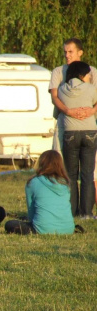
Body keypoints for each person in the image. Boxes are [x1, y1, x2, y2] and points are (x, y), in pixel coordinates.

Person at [58, 61, 97, 218]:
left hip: (70, 132)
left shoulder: (62, 89)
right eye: (88, 74)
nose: (89, 77)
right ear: (82, 75)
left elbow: (58, 109)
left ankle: (72, 211)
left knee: (71, 175)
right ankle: (86, 213)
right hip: (90, 132)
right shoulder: (91, 88)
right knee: (87, 174)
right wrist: (88, 111)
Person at [5, 150, 75, 234]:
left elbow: (31, 211)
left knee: (10, 224)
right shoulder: (66, 183)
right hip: (68, 229)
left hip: (43, 229)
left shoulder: (33, 182)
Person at [49, 38, 97, 154]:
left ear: (80, 52)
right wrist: (68, 111)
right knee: (60, 157)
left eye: (70, 52)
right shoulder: (58, 71)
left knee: (89, 163)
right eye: (65, 52)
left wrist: (91, 111)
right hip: (64, 122)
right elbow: (54, 97)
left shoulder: (92, 72)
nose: (67, 55)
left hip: (88, 123)